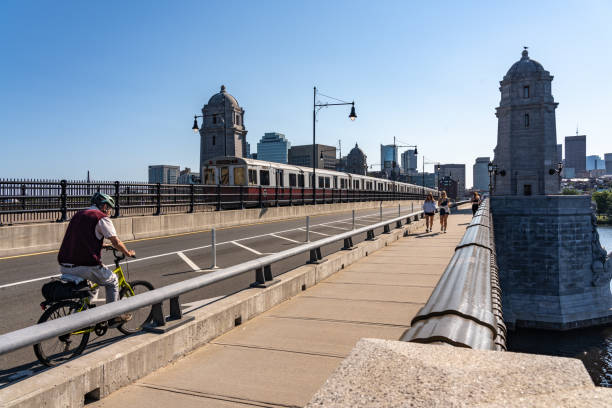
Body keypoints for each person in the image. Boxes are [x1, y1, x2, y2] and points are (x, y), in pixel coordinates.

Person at [57, 192, 135, 326]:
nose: (109, 211)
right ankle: (114, 317)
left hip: (65, 264)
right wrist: (127, 252)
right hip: (85, 266)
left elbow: (82, 237)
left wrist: (101, 244)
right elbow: (116, 242)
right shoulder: (101, 217)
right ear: (104, 206)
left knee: (92, 288)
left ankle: (76, 320)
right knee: (113, 281)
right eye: (109, 208)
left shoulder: (78, 214)